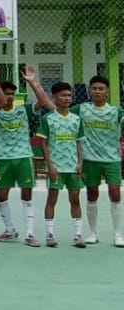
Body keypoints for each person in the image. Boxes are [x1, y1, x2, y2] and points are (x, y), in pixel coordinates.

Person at [0, 67, 51, 246]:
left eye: (11, 94)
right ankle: (10, 230)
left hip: (23, 157)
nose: (9, 97)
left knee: (27, 195)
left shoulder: (23, 109)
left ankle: (30, 234)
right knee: (1, 196)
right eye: (6, 93)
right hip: (4, 159)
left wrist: (31, 81)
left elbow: (43, 101)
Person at [36, 82, 87, 248]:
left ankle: (78, 235)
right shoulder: (48, 119)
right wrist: (50, 165)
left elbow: (79, 142)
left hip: (73, 167)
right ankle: (50, 235)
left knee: (75, 199)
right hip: (56, 167)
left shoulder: (76, 119)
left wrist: (80, 162)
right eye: (63, 95)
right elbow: (43, 143)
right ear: (54, 98)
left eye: (69, 95)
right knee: (52, 199)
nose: (66, 98)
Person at [79, 74, 124, 246]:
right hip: (90, 159)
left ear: (107, 92)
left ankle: (118, 234)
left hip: (112, 159)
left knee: (114, 192)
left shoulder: (116, 111)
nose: (97, 91)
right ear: (89, 91)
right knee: (92, 193)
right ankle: (92, 233)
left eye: (101, 89)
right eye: (94, 88)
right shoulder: (82, 109)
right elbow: (59, 111)